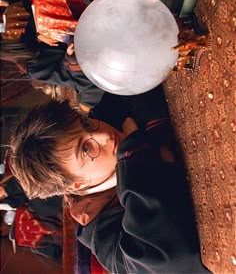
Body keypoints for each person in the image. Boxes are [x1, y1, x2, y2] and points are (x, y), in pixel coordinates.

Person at [9, 97, 211, 273]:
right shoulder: (101, 233)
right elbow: (172, 260)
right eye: (86, 150)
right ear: (76, 185)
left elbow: (131, 82)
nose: (104, 136)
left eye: (86, 124)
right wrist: (134, 155)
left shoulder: (102, 125)